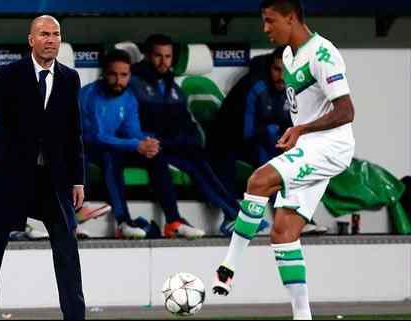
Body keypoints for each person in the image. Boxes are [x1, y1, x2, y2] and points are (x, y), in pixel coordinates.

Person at [212, 1, 355, 320]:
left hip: (330, 146)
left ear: (290, 18)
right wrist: (298, 130)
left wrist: (301, 128)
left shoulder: (323, 54)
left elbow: (346, 111)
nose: (265, 29)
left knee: (258, 181)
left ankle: (228, 266)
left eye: (269, 21)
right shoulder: (289, 56)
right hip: (308, 147)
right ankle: (302, 315)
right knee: (283, 232)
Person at [0, 16, 86, 320]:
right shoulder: (10, 74)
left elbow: (74, 133)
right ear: (31, 40)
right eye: (44, 34)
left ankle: (75, 316)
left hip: (53, 180)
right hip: (10, 179)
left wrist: (78, 180)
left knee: (68, 253)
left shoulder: (70, 78)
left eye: (56, 34)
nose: (51, 40)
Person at [79, 49, 204, 239]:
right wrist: (135, 145)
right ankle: (122, 222)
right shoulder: (89, 95)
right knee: (110, 156)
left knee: (155, 155)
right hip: (86, 148)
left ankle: (173, 221)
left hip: (115, 146)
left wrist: (145, 143)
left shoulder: (128, 97)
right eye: (113, 74)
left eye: (124, 75)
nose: (118, 80)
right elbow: (97, 136)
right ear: (104, 73)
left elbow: (132, 131)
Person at [130, 34, 244, 236]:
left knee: (199, 159)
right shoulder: (135, 82)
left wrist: (190, 140)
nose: (163, 61)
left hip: (173, 145)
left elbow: (186, 121)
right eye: (158, 56)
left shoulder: (172, 86)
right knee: (186, 159)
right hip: (148, 145)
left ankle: (233, 215)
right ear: (148, 56)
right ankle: (228, 215)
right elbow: (135, 122)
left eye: (168, 56)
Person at [208, 47, 291, 195]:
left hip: (263, 138)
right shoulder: (255, 87)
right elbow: (248, 133)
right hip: (230, 139)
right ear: (269, 68)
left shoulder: (292, 87)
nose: (282, 76)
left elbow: (291, 125)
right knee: (269, 160)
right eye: (277, 69)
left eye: (287, 70)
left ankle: (296, 213)